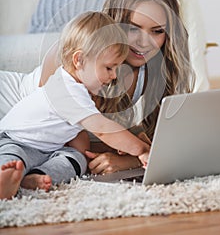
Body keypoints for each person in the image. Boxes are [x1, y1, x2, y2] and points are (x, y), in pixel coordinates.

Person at [0, 0, 195, 177]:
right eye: (133, 28)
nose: (144, 42)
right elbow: (68, 139)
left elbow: (153, 141)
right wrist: (136, 151)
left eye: (157, 31)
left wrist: (128, 159)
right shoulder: (75, 63)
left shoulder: (150, 69)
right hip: (10, 115)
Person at [0, 11, 150, 200]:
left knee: (75, 160)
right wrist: (141, 150)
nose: (113, 76)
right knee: (12, 159)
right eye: (109, 68)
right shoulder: (66, 89)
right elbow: (103, 129)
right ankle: (6, 178)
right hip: (16, 140)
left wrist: (83, 153)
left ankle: (32, 178)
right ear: (79, 60)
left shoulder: (80, 91)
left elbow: (77, 132)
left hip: (48, 152)